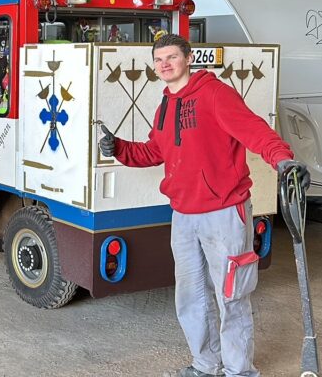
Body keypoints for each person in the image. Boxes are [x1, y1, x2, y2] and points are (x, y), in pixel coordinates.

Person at [99, 34, 309, 377]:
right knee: (191, 297)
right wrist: (119, 148)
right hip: (183, 216)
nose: (165, 64)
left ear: (189, 57)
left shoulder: (215, 94)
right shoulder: (165, 104)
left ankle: (239, 371)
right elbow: (155, 152)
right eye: (159, 59)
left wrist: (282, 160)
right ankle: (206, 364)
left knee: (231, 296)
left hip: (224, 212)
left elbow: (254, 130)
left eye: (172, 57)